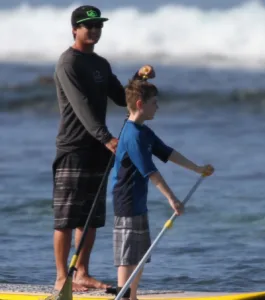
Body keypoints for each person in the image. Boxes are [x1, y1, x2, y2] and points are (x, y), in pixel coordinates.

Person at [52, 5, 155, 292]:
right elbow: (81, 106)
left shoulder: (100, 63)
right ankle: (62, 277)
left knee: (91, 217)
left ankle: (81, 273)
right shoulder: (67, 63)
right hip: (73, 148)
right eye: (89, 26)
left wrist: (138, 79)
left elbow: (122, 98)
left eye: (98, 26)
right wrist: (107, 137)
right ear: (75, 29)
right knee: (65, 217)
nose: (95, 31)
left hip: (98, 148)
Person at [111, 79, 215, 300]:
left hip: (138, 199)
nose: (157, 107)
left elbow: (167, 153)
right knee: (127, 254)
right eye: (154, 103)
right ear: (140, 104)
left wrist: (197, 168)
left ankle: (133, 296)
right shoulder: (133, 135)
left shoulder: (144, 132)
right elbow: (151, 171)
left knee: (141, 253)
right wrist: (172, 199)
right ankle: (123, 294)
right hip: (126, 198)